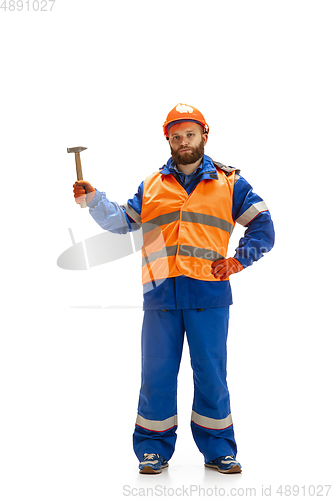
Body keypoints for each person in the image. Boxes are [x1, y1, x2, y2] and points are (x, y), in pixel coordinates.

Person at [73, 103, 275, 474]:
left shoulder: (231, 183)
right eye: (177, 136)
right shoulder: (151, 185)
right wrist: (94, 200)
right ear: (168, 139)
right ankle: (152, 449)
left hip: (209, 296)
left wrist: (239, 260)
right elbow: (123, 222)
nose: (184, 142)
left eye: (190, 134)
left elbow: (263, 225)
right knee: (157, 374)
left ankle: (218, 450)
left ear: (204, 135)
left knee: (212, 373)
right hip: (161, 295)